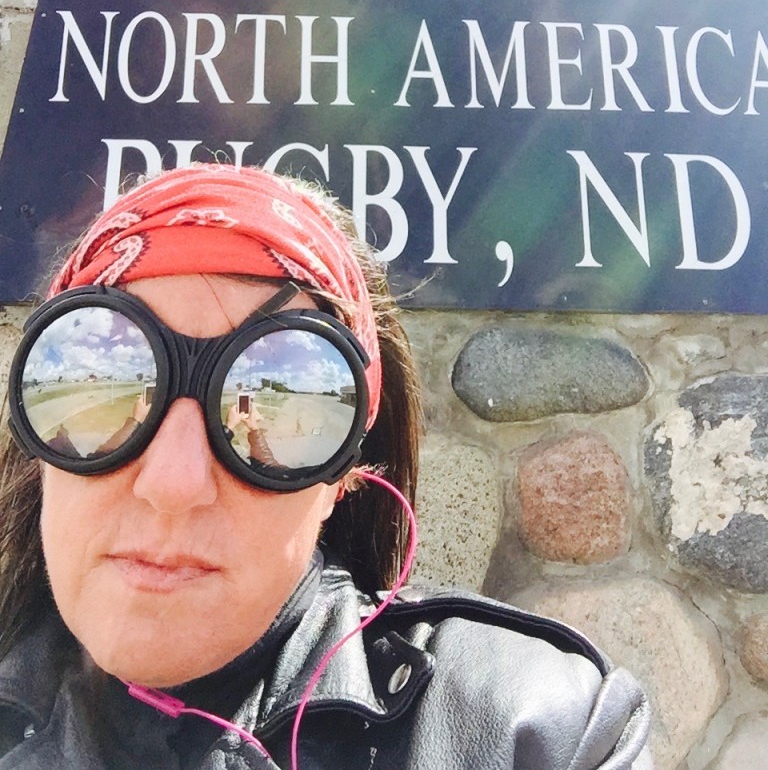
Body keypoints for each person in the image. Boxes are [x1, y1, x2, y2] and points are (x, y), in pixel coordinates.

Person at [0, 163, 652, 770]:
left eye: (283, 399)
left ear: (341, 475)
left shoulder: (533, 729)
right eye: (106, 378)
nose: (173, 483)